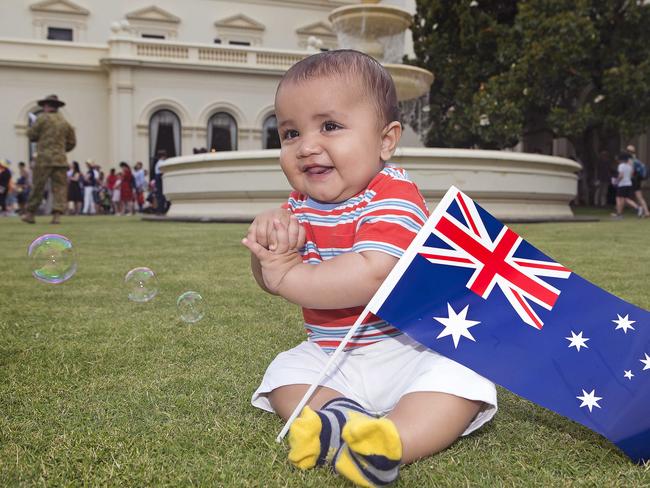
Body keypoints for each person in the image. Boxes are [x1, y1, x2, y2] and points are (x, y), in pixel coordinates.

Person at [242, 50, 496, 487]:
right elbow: (269, 280)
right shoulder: (298, 207)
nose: (306, 146)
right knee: (284, 374)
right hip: (332, 354)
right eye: (289, 133)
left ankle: (390, 442)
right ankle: (343, 418)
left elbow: (373, 274)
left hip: (410, 351)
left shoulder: (393, 194)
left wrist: (287, 275)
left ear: (385, 140)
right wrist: (268, 253)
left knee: (463, 377)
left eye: (330, 126)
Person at [21, 94, 76, 224]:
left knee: (38, 186)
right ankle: (57, 215)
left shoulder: (42, 119)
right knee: (60, 188)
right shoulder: (65, 122)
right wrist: (61, 150)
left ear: (46, 106)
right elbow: (72, 142)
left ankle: (30, 214)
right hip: (60, 160)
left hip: (44, 159)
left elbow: (31, 135)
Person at [611, 152, 642, 219]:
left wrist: (616, 181)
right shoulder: (629, 166)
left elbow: (621, 176)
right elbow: (631, 175)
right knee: (626, 199)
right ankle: (638, 208)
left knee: (619, 199)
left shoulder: (621, 165)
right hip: (629, 184)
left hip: (622, 184)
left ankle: (619, 214)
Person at [626, 144, 649, 218]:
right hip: (638, 179)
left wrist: (628, 177)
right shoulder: (636, 158)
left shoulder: (630, 159)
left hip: (633, 180)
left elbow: (632, 171)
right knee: (639, 197)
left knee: (625, 196)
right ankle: (646, 212)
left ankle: (639, 209)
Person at [153, 149, 169, 214]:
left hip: (158, 177)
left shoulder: (158, 162)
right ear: (162, 156)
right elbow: (162, 170)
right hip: (159, 177)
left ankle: (160, 209)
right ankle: (160, 210)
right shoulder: (161, 163)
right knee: (161, 195)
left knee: (160, 195)